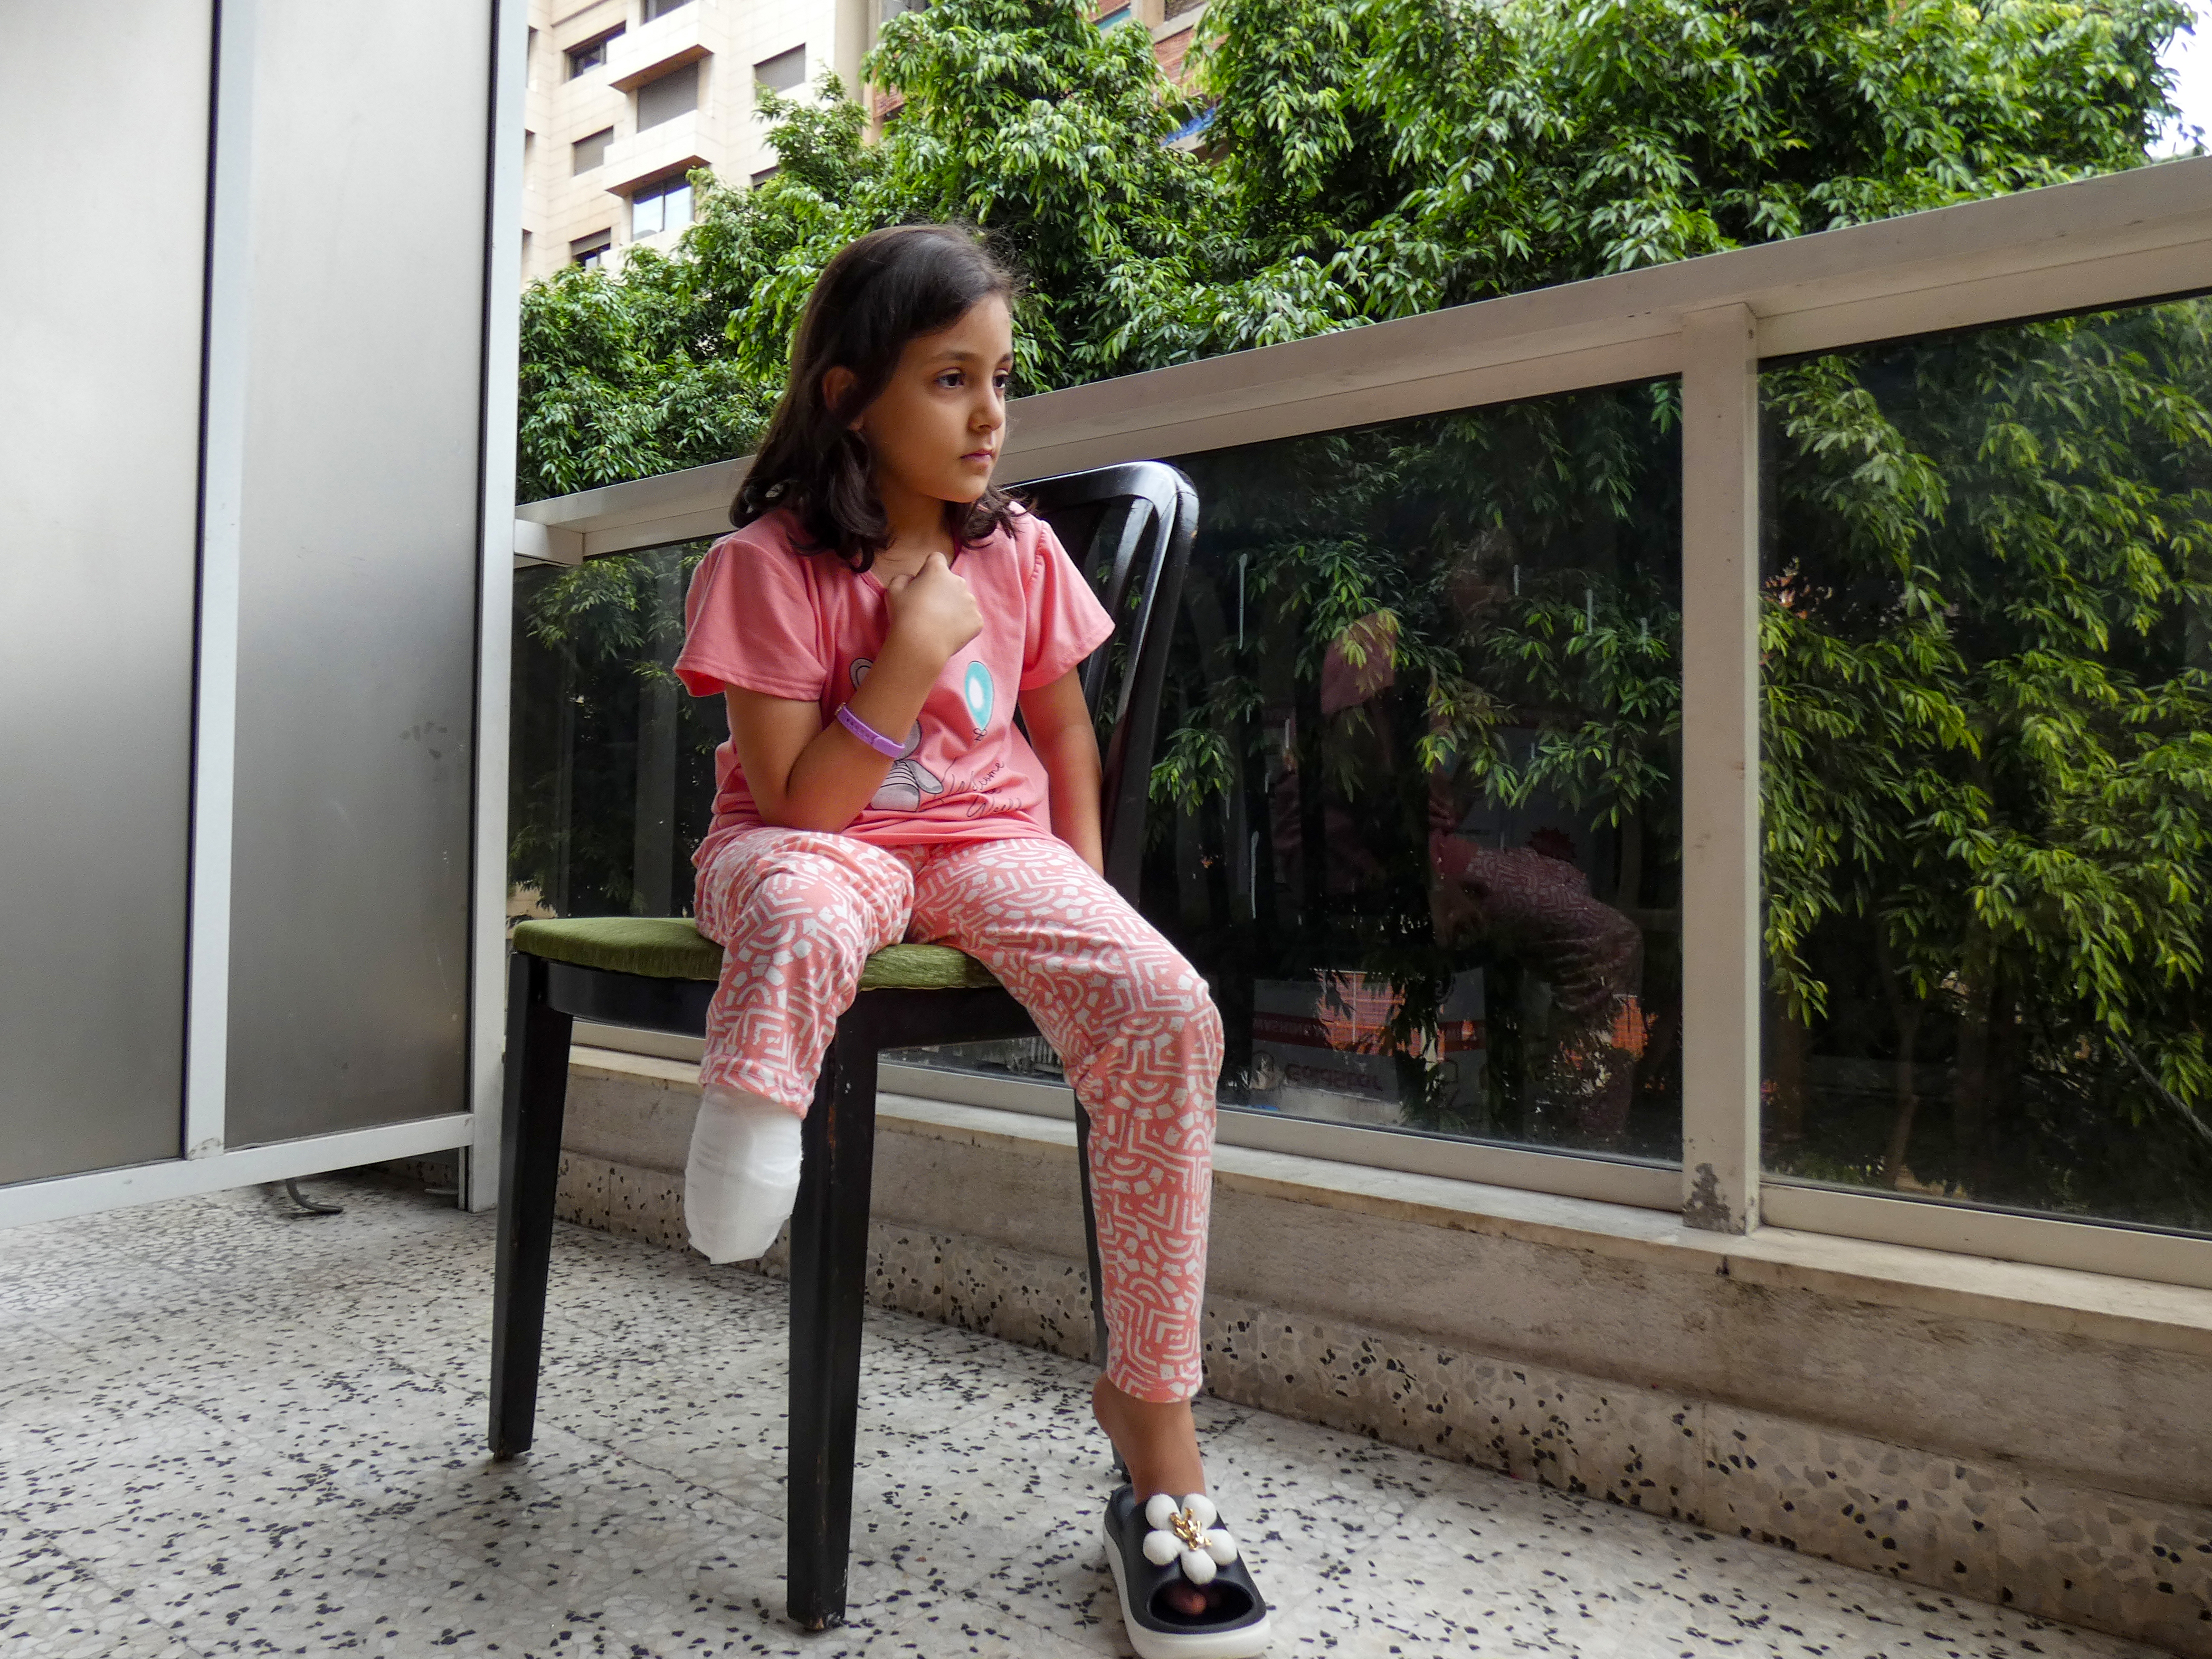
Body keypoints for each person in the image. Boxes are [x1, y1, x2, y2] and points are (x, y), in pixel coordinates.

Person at [670, 223, 1271, 1659]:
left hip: (987, 851)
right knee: (809, 904)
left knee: (1166, 1004)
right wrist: (909, 655)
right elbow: (808, 799)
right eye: (950, 380)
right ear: (848, 398)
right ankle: (754, 1103)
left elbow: (1062, 731)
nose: (993, 416)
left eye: (1002, 379)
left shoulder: (1025, 552)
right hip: (805, 843)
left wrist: (1087, 915)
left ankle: (1154, 1422)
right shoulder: (761, 566)